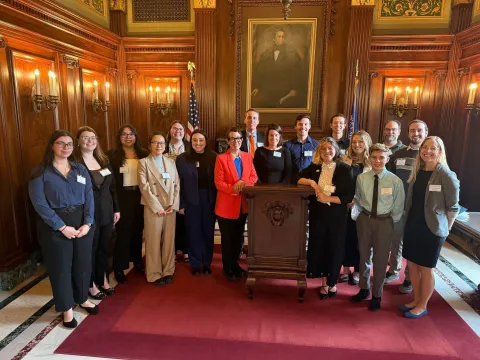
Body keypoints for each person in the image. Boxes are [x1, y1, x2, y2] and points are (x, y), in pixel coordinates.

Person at [29, 130, 97, 329]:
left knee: (83, 265)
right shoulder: (40, 172)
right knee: (61, 269)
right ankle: (67, 308)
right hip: (55, 225)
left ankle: (82, 298)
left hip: (82, 223)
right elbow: (40, 204)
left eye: (69, 144)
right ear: (52, 146)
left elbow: (89, 197)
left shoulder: (80, 170)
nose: (66, 147)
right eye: (61, 143)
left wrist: (88, 223)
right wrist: (61, 227)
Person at [400, 136, 460, 318]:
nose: (427, 151)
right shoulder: (417, 170)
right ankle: (416, 300)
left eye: (432, 148)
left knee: (426, 268)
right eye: (424, 147)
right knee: (412, 265)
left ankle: (423, 305)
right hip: (413, 225)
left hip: (432, 229)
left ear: (440, 151)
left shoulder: (446, 175)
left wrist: (446, 230)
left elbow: (453, 207)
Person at [297, 137, 354, 299]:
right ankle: (324, 283)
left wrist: (326, 198)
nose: (327, 152)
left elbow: (348, 196)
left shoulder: (344, 169)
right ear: (319, 152)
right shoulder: (315, 167)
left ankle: (333, 283)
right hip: (318, 214)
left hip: (336, 215)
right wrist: (313, 184)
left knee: (335, 248)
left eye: (330, 148)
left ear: (335, 150)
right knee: (320, 247)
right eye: (323, 149)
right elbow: (298, 178)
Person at [350, 143, 405, 311]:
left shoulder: (395, 181)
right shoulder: (362, 178)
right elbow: (358, 198)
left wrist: (389, 223)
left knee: (381, 260)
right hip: (365, 220)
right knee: (364, 256)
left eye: (381, 157)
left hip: (385, 222)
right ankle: (364, 288)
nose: (377, 161)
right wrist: (356, 213)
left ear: (387, 159)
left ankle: (377, 294)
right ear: (369, 158)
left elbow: (398, 206)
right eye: (374, 157)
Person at [75, 126, 119, 299]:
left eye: (93, 137)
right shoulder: (75, 165)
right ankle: (91, 284)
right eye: (85, 138)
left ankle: (103, 279)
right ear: (78, 141)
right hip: (88, 214)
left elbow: (112, 188)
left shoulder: (104, 160)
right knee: (90, 250)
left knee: (104, 248)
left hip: (107, 211)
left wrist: (117, 209)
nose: (90, 141)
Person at [385, 119, 429, 293]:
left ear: (425, 132)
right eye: (412, 131)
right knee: (396, 241)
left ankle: (410, 277)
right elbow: (389, 180)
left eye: (419, 130)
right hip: (399, 206)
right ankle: (394, 270)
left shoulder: (429, 155)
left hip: (419, 209)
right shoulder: (399, 154)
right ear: (408, 133)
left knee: (413, 242)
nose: (416, 134)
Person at [215, 127, 258, 281]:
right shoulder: (221, 158)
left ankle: (235, 266)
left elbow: (253, 177)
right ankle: (228, 269)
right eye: (232, 138)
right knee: (227, 239)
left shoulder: (247, 157)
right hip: (226, 205)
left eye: (238, 138)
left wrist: (243, 183)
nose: (236, 141)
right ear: (227, 141)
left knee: (238, 238)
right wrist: (234, 188)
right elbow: (219, 183)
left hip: (243, 205)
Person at [107, 125, 148, 284]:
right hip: (122, 198)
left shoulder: (144, 154)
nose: (128, 137)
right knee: (123, 234)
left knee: (138, 232)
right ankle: (119, 266)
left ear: (136, 136)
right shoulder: (112, 155)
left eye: (131, 134)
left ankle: (137, 261)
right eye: (124, 134)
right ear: (119, 137)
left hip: (140, 197)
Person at [138, 132, 180, 286]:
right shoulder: (143, 162)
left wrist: (174, 205)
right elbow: (144, 187)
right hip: (153, 207)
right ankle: (154, 273)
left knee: (169, 241)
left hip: (169, 207)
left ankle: (168, 270)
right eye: (155, 143)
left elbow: (176, 184)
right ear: (150, 145)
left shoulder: (170, 162)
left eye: (162, 143)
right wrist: (156, 207)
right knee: (153, 241)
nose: (159, 146)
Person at [176, 130, 217, 275]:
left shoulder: (214, 157)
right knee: (193, 232)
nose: (198, 143)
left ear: (206, 141)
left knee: (207, 232)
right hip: (190, 199)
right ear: (190, 142)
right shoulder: (182, 159)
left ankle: (206, 263)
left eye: (201, 140)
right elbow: (177, 183)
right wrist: (180, 204)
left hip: (209, 200)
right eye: (195, 140)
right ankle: (195, 264)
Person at [339, 130, 372, 286]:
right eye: (354, 142)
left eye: (360, 142)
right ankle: (345, 269)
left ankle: (357, 271)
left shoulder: (372, 163)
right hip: (345, 207)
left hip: (363, 208)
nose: (357, 145)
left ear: (366, 143)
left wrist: (357, 201)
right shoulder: (344, 160)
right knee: (346, 238)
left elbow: (373, 188)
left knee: (361, 241)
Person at [251, 28, 303, 108]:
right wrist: (257, 86)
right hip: (268, 88)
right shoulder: (266, 53)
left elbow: (297, 72)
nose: (281, 39)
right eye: (279, 36)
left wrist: (294, 88)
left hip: (285, 89)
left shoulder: (292, 53)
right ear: (274, 38)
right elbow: (260, 71)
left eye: (283, 36)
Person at [165, 121, 190, 263]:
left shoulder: (189, 146)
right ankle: (172, 250)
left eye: (180, 129)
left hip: (186, 187)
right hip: (167, 187)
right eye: (174, 128)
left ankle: (186, 250)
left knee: (185, 219)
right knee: (171, 220)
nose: (178, 131)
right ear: (170, 131)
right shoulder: (163, 146)